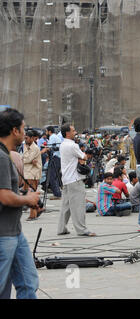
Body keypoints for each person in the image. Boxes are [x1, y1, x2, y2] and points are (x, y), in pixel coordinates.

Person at [0, 108, 40, 299]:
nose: (25, 134)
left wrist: (24, 197)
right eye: (23, 129)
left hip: (14, 232)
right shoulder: (1, 157)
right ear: (14, 130)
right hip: (3, 235)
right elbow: (5, 197)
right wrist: (28, 199)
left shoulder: (5, 155)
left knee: (28, 281)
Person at [57, 124, 96, 237]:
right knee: (78, 205)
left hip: (66, 179)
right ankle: (81, 229)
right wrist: (82, 156)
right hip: (75, 179)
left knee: (66, 206)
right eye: (73, 131)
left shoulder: (63, 144)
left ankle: (61, 228)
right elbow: (84, 157)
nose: (75, 132)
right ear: (68, 133)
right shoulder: (72, 145)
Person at [22, 130, 43, 221]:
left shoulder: (35, 148)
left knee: (31, 193)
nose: (25, 140)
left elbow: (26, 159)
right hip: (27, 171)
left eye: (26, 138)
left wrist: (27, 159)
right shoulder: (26, 146)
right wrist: (27, 160)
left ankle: (33, 214)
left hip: (33, 173)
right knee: (27, 192)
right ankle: (39, 208)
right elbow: (24, 159)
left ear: (31, 138)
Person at [45, 126, 62, 199]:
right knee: (55, 176)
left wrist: (41, 151)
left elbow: (49, 147)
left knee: (52, 176)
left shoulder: (52, 137)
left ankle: (57, 194)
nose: (46, 133)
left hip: (55, 158)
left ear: (49, 131)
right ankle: (57, 193)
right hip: (59, 158)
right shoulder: (56, 137)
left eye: (46, 131)